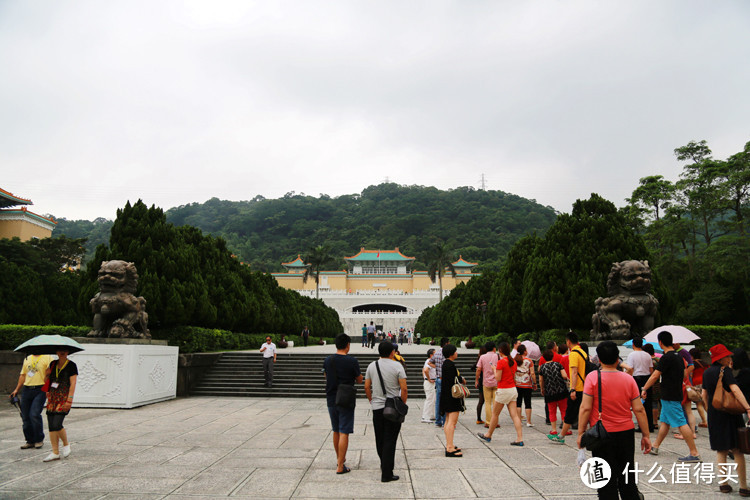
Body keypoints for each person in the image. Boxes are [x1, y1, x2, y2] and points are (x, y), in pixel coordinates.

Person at [577, 341, 651, 500]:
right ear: (618, 358)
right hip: (625, 433)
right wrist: (646, 435)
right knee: (627, 476)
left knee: (605, 480)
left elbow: (585, 408)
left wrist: (581, 432)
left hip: (601, 434)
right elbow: (639, 409)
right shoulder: (628, 379)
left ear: (599, 360)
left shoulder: (592, 378)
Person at [640, 330, 701, 462]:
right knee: (665, 422)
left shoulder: (666, 358)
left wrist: (644, 388)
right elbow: (685, 375)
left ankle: (694, 453)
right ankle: (655, 446)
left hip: (669, 394)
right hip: (675, 392)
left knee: (680, 422)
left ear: (660, 342)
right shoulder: (678, 356)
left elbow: (655, 375)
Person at [701, 344, 750, 495]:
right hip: (730, 414)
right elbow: (735, 389)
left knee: (721, 450)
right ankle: (743, 487)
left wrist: (710, 411)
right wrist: (748, 408)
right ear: (721, 358)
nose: (730, 358)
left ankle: (724, 484)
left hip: (715, 415)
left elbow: (703, 395)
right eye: (727, 356)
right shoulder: (725, 371)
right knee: (737, 450)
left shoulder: (707, 372)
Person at [364, 342, 407, 483]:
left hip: (377, 407)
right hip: (392, 407)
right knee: (390, 439)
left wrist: (372, 400)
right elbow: (404, 388)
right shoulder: (397, 366)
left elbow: (366, 386)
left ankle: (384, 464)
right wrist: (402, 403)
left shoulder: (372, 365)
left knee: (380, 438)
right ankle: (387, 473)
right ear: (392, 352)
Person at [323, 333, 363, 474]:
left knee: (336, 430)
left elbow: (326, 376)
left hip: (331, 397)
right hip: (345, 398)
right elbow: (359, 380)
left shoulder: (328, 360)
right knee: (344, 431)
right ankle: (340, 466)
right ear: (347, 345)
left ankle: (340, 459)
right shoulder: (352, 361)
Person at [477, 342, 524, 446]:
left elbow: (498, 378)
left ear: (501, 351)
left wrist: (494, 369)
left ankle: (488, 434)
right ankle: (519, 438)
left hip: (503, 390)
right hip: (512, 389)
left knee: (495, 414)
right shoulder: (513, 362)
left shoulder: (501, 362)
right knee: (515, 416)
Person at [548, 331, 586, 443]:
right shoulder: (582, 352)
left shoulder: (574, 354)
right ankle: (578, 434)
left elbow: (574, 372)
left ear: (568, 341)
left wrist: (573, 389)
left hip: (577, 388)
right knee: (582, 412)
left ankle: (561, 436)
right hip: (584, 386)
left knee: (570, 413)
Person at [10, 353, 53, 450]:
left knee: (34, 414)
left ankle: (38, 439)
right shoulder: (27, 358)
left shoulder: (48, 358)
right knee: (25, 416)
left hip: (40, 389)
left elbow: (51, 375)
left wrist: (48, 387)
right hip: (27, 389)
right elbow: (23, 375)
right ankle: (29, 440)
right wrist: (16, 389)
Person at [43, 349, 78, 462]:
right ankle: (55, 452)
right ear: (56, 352)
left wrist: (69, 399)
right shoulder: (53, 364)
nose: (62, 352)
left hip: (64, 397)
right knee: (51, 426)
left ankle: (66, 444)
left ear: (68, 352)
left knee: (57, 424)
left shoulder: (72, 365)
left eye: (64, 350)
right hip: (52, 397)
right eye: (59, 350)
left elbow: (73, 383)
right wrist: (46, 374)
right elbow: (46, 380)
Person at [440, 344, 465, 457]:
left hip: (446, 396)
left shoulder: (445, 363)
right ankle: (449, 448)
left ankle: (449, 444)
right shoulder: (450, 365)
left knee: (448, 421)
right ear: (451, 353)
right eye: (455, 351)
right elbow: (454, 379)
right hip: (452, 396)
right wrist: (462, 379)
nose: (457, 353)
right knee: (452, 422)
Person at [626, 337, 655, 432]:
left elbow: (630, 369)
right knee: (648, 403)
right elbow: (651, 370)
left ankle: (641, 425)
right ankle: (650, 425)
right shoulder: (647, 355)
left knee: (638, 403)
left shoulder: (631, 355)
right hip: (647, 379)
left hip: (636, 379)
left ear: (633, 344)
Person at [538, 349, 569, 436]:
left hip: (549, 391)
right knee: (564, 410)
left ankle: (554, 429)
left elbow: (541, 380)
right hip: (561, 390)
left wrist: (542, 389)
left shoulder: (542, 368)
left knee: (552, 411)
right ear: (552, 356)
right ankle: (565, 429)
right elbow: (564, 376)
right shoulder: (558, 365)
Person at [476, 341, 498, 427]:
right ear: (494, 348)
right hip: (496, 382)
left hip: (486, 382)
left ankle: (488, 422)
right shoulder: (497, 356)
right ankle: (495, 422)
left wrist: (477, 380)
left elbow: (478, 369)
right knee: (495, 403)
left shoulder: (482, 357)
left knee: (487, 402)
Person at [514, 344, 536, 427]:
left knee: (518, 403)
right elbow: (532, 373)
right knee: (528, 403)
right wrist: (535, 383)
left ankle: (518, 420)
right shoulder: (529, 361)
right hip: (527, 384)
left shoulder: (515, 360)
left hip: (517, 383)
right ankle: (528, 421)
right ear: (524, 351)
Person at [432, 337, 449, 428]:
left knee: (438, 400)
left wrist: (437, 368)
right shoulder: (445, 353)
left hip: (438, 378)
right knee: (445, 400)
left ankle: (438, 421)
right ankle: (444, 420)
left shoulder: (437, 352)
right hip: (444, 379)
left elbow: (430, 362)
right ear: (446, 343)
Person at [642, 343, 661, 425]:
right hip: (657, 383)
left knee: (650, 403)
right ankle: (655, 421)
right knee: (655, 403)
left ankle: (652, 421)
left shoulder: (648, 360)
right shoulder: (658, 360)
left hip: (649, 383)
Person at [689, 347, 708, 428]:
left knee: (699, 403)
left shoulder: (693, 364)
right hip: (705, 383)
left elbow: (691, 375)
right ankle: (711, 419)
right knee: (705, 402)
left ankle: (704, 421)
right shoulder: (705, 363)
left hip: (697, 384)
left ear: (692, 356)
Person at [422, 349, 437, 423]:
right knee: (429, 399)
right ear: (431, 355)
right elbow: (426, 370)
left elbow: (423, 370)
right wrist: (428, 379)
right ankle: (425, 416)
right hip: (430, 382)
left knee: (432, 399)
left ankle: (431, 415)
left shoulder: (428, 361)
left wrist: (425, 378)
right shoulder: (429, 361)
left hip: (429, 382)